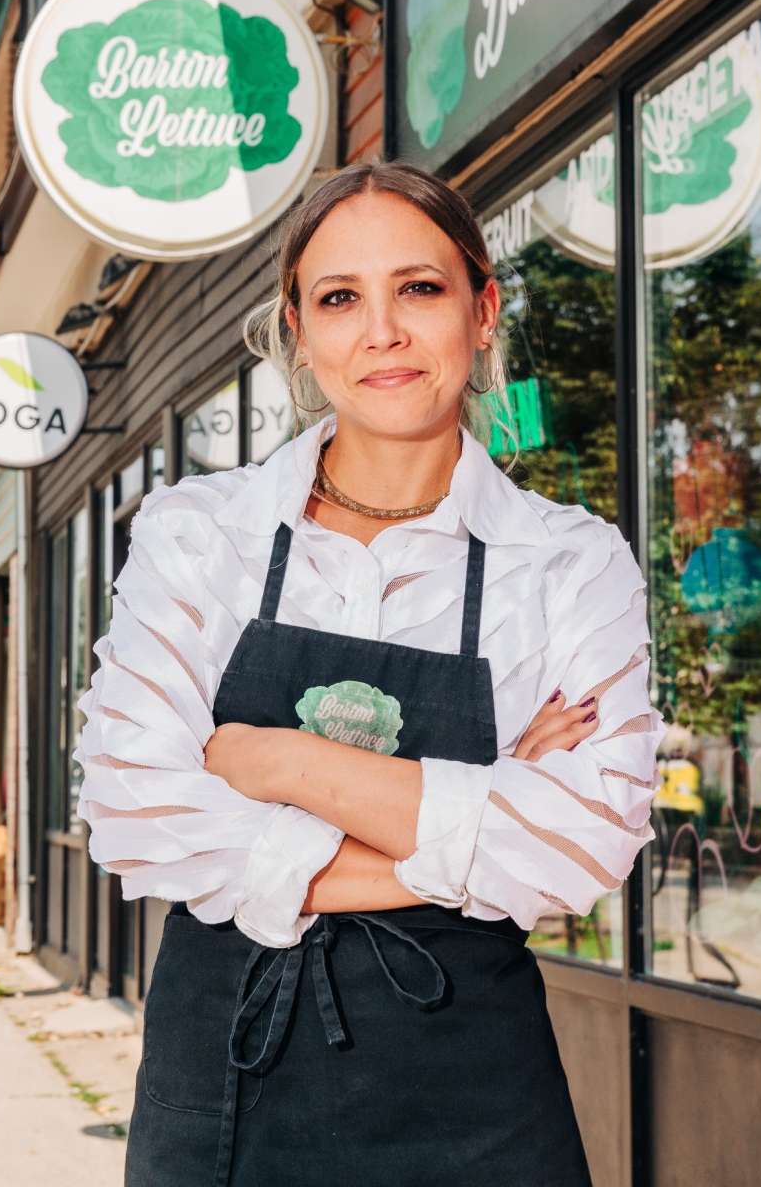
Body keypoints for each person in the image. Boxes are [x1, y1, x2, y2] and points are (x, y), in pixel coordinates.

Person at [77, 162, 661, 1186]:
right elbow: (133, 810)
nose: (380, 331)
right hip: (224, 1063)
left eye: (419, 288)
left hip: (468, 1086)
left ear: (480, 311)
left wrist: (272, 759)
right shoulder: (199, 533)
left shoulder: (565, 560)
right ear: (297, 331)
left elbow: (581, 840)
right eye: (339, 298)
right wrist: (473, 827)